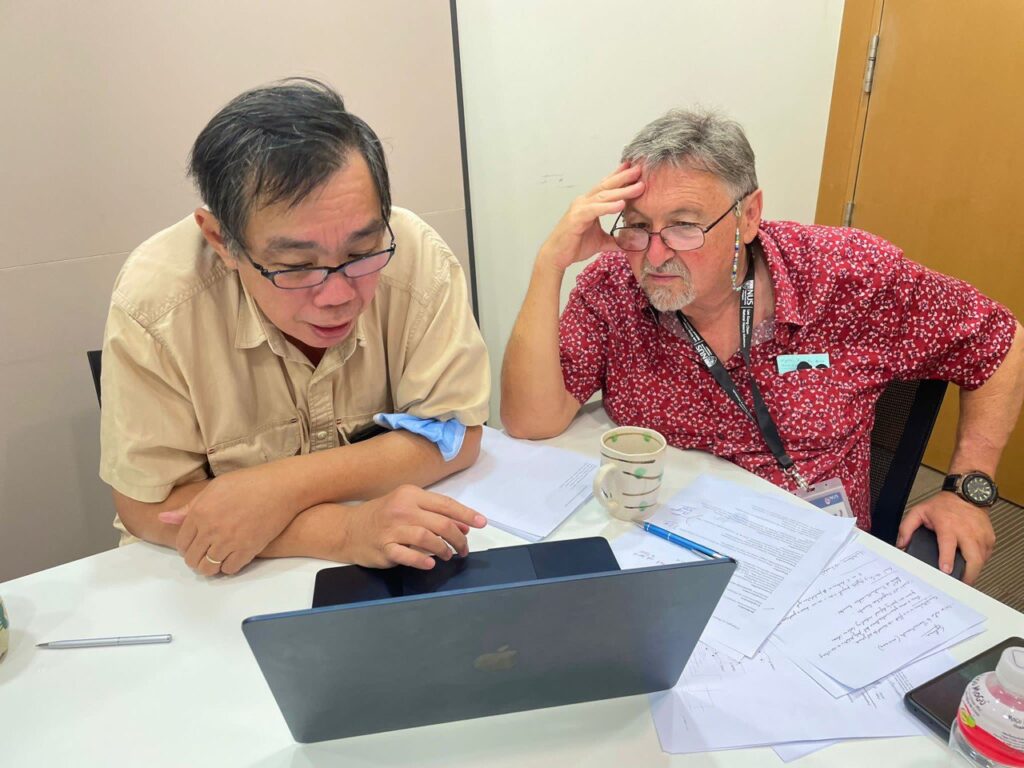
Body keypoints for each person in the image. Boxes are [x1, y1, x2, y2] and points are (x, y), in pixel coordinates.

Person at [501, 108, 1023, 585]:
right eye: (638, 227)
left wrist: (966, 491)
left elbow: (999, 340)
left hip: (809, 558)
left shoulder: (846, 275)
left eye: (684, 226)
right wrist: (549, 263)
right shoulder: (614, 284)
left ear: (748, 217)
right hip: (663, 548)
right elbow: (531, 419)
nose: (655, 254)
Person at [100, 79, 490, 576]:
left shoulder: (416, 256)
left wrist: (282, 486)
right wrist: (342, 532)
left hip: (393, 553)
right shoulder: (156, 302)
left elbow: (455, 433)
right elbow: (149, 505)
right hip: (207, 583)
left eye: (360, 253)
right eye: (296, 266)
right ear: (221, 239)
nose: (338, 296)